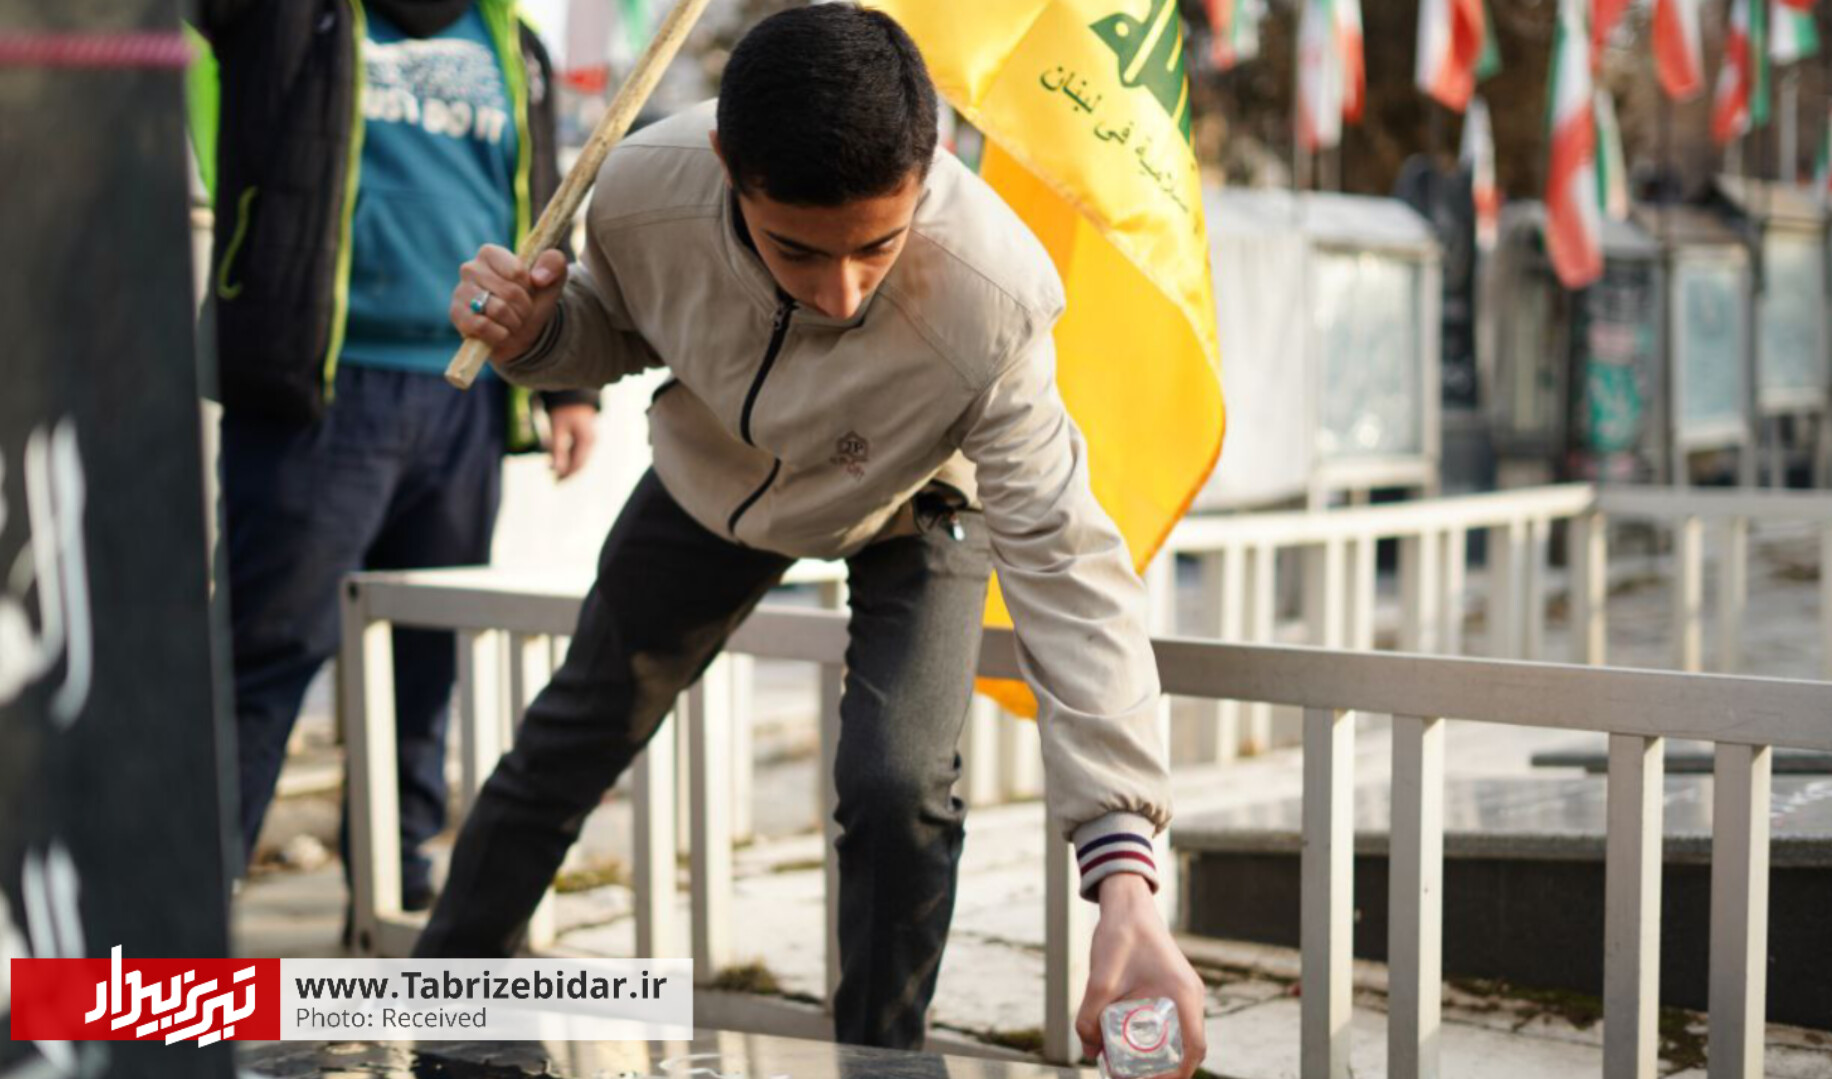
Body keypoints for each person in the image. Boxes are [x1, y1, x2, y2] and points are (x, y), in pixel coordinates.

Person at [419, 4, 1208, 1073]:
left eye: (878, 245)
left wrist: (1127, 880)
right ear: (724, 164)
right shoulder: (643, 187)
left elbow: (1068, 565)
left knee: (897, 784)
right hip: (716, 474)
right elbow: (613, 327)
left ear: (928, 169)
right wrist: (536, 333)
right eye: (796, 247)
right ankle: (441, 1012)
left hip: (916, 496)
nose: (841, 291)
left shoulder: (997, 299)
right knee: (572, 733)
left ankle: (878, 1059)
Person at [187, 0, 601, 913]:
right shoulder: (289, 17)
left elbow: (549, 214)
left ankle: (396, 892)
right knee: (265, 655)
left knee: (426, 659)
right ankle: (184, 912)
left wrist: (569, 384)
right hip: (317, 388)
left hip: (466, 393)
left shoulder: (515, 42)